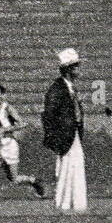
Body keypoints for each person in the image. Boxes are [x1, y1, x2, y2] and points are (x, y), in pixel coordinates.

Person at [0, 83, 45, 201]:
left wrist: (5, 129)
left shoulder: (8, 108)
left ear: (3, 95)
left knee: (14, 179)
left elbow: (22, 124)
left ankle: (35, 181)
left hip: (9, 145)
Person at [42, 48, 86, 211]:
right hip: (65, 136)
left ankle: (73, 202)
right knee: (68, 166)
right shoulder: (57, 89)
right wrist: (55, 138)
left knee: (74, 165)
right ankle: (64, 202)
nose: (78, 70)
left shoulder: (69, 88)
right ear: (68, 69)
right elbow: (49, 115)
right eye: (75, 66)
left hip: (72, 134)